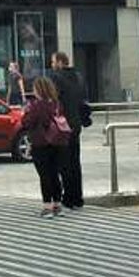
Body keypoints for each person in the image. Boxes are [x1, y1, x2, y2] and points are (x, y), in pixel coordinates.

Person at [21, 76, 70, 216]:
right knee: (55, 174)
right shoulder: (57, 103)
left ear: (39, 89)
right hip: (58, 142)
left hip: (41, 143)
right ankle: (57, 205)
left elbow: (27, 122)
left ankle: (47, 206)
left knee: (45, 175)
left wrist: (26, 112)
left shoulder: (37, 105)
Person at [47, 52, 86, 210]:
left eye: (53, 61)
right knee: (75, 162)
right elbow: (83, 100)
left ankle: (68, 197)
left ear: (60, 63)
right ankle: (77, 197)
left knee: (64, 163)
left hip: (62, 126)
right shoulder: (78, 77)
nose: (51, 64)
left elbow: (53, 100)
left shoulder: (56, 78)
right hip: (75, 125)